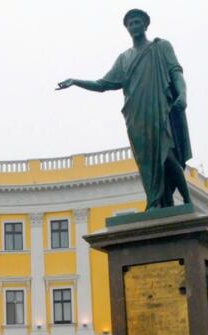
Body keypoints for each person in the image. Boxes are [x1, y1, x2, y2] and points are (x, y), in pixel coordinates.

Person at [56, 8, 192, 210]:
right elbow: (103, 84)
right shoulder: (124, 58)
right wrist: (75, 81)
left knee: (167, 153)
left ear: (146, 25)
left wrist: (182, 95)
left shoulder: (161, 47)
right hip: (136, 115)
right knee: (145, 160)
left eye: (138, 22)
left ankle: (188, 201)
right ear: (127, 28)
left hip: (159, 108)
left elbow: (176, 72)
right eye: (130, 23)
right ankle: (154, 200)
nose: (134, 26)